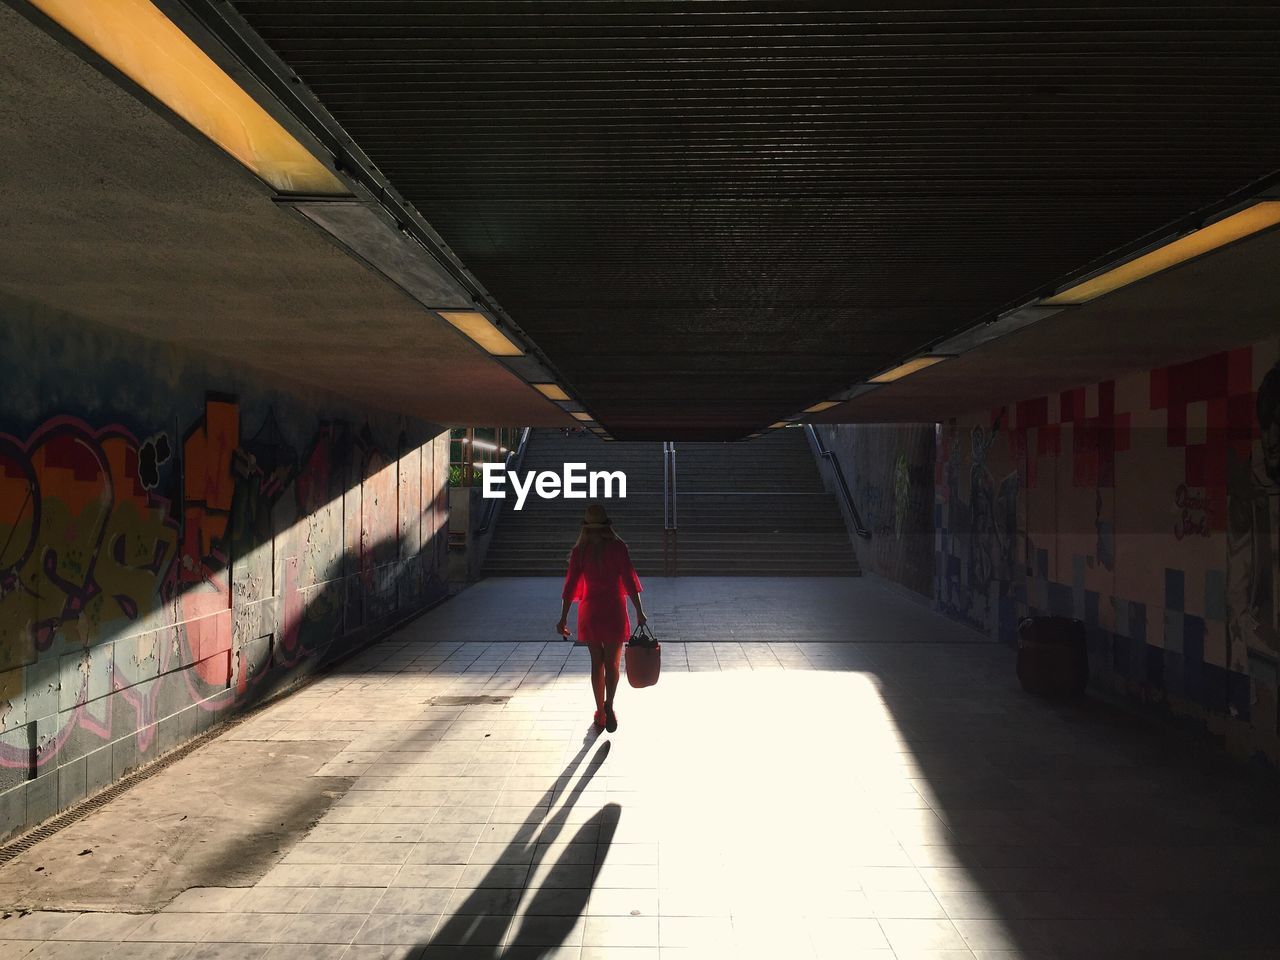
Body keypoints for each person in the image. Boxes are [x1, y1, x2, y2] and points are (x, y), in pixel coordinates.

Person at [556, 503, 646, 732]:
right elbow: (629, 580)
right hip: (614, 609)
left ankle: (599, 712)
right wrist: (639, 610)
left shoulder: (580, 551)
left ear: (586, 527)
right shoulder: (618, 547)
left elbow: (570, 586)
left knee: (597, 663)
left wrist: (563, 618)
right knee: (613, 663)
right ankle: (610, 704)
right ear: (607, 525)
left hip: (591, 611)